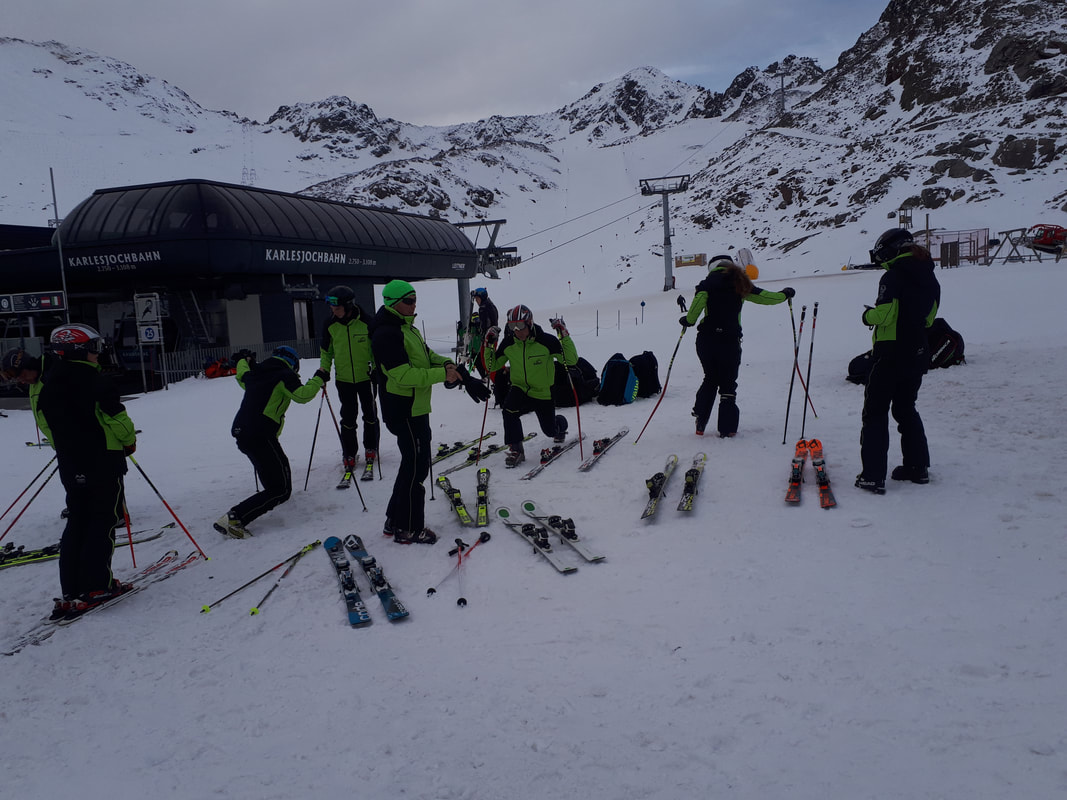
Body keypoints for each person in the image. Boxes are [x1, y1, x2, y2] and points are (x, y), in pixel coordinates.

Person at [372, 280, 488, 544]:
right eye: (409, 301)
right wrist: (443, 375)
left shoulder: (406, 328)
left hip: (416, 408)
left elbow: (427, 356)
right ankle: (408, 528)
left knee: (411, 465)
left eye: (415, 300)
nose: (414, 305)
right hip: (404, 410)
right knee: (416, 468)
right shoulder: (386, 334)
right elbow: (402, 375)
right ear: (393, 303)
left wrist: (450, 366)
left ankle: (394, 518)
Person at [35, 324, 137, 619]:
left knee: (77, 521)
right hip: (102, 460)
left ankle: (72, 589)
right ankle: (96, 586)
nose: (98, 354)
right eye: (94, 348)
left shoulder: (49, 383)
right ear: (80, 350)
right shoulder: (96, 381)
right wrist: (128, 442)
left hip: (71, 463)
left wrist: (67, 447)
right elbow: (117, 419)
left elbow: (45, 422)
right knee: (103, 521)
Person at [855, 228, 941, 494]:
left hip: (890, 353)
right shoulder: (929, 276)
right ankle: (917, 467)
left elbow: (885, 313)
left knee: (875, 412)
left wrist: (867, 317)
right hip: (918, 351)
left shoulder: (893, 275)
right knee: (906, 409)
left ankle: (872, 476)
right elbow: (930, 318)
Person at [214, 346, 327, 538]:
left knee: (276, 473)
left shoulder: (255, 372)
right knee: (281, 490)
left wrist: (243, 360)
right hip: (261, 435)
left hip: (243, 432)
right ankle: (235, 518)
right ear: (293, 363)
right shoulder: (284, 375)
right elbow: (302, 395)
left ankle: (265, 499)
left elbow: (241, 375)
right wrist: (319, 378)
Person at [680, 254, 794, 437]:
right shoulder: (739, 282)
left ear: (711, 268)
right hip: (729, 341)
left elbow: (695, 310)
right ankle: (727, 429)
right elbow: (767, 298)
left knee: (710, 377)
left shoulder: (706, 284)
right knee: (728, 384)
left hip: (706, 340)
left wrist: (687, 320)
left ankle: (700, 420)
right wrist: (785, 294)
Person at [484, 304, 577, 467]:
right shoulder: (509, 343)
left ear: (529, 323)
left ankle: (560, 425)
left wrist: (564, 335)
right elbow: (492, 366)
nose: (517, 330)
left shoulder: (546, 341)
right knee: (509, 410)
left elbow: (570, 361)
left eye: (520, 325)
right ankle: (516, 450)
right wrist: (489, 345)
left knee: (550, 431)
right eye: (512, 326)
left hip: (543, 392)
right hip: (520, 388)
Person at [318, 285, 380, 476]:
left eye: (337, 307)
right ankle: (349, 453)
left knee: (370, 414)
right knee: (348, 416)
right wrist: (324, 371)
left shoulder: (367, 322)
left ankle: (371, 447)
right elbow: (326, 352)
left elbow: (376, 349)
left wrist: (376, 369)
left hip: (366, 378)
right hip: (344, 379)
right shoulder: (330, 324)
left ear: (348, 305)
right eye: (332, 307)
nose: (333, 311)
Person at [1, 348, 51, 439]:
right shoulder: (34, 384)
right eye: (16, 378)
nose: (22, 381)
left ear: (28, 365)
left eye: (22, 375)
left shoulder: (52, 377)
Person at [468, 287, 499, 377]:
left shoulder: (485, 308)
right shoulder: (486, 306)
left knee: (487, 360)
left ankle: (492, 377)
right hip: (488, 337)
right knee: (483, 359)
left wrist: (487, 335)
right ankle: (488, 376)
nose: (476, 301)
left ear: (482, 297)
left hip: (489, 338)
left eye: (477, 298)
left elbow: (489, 323)